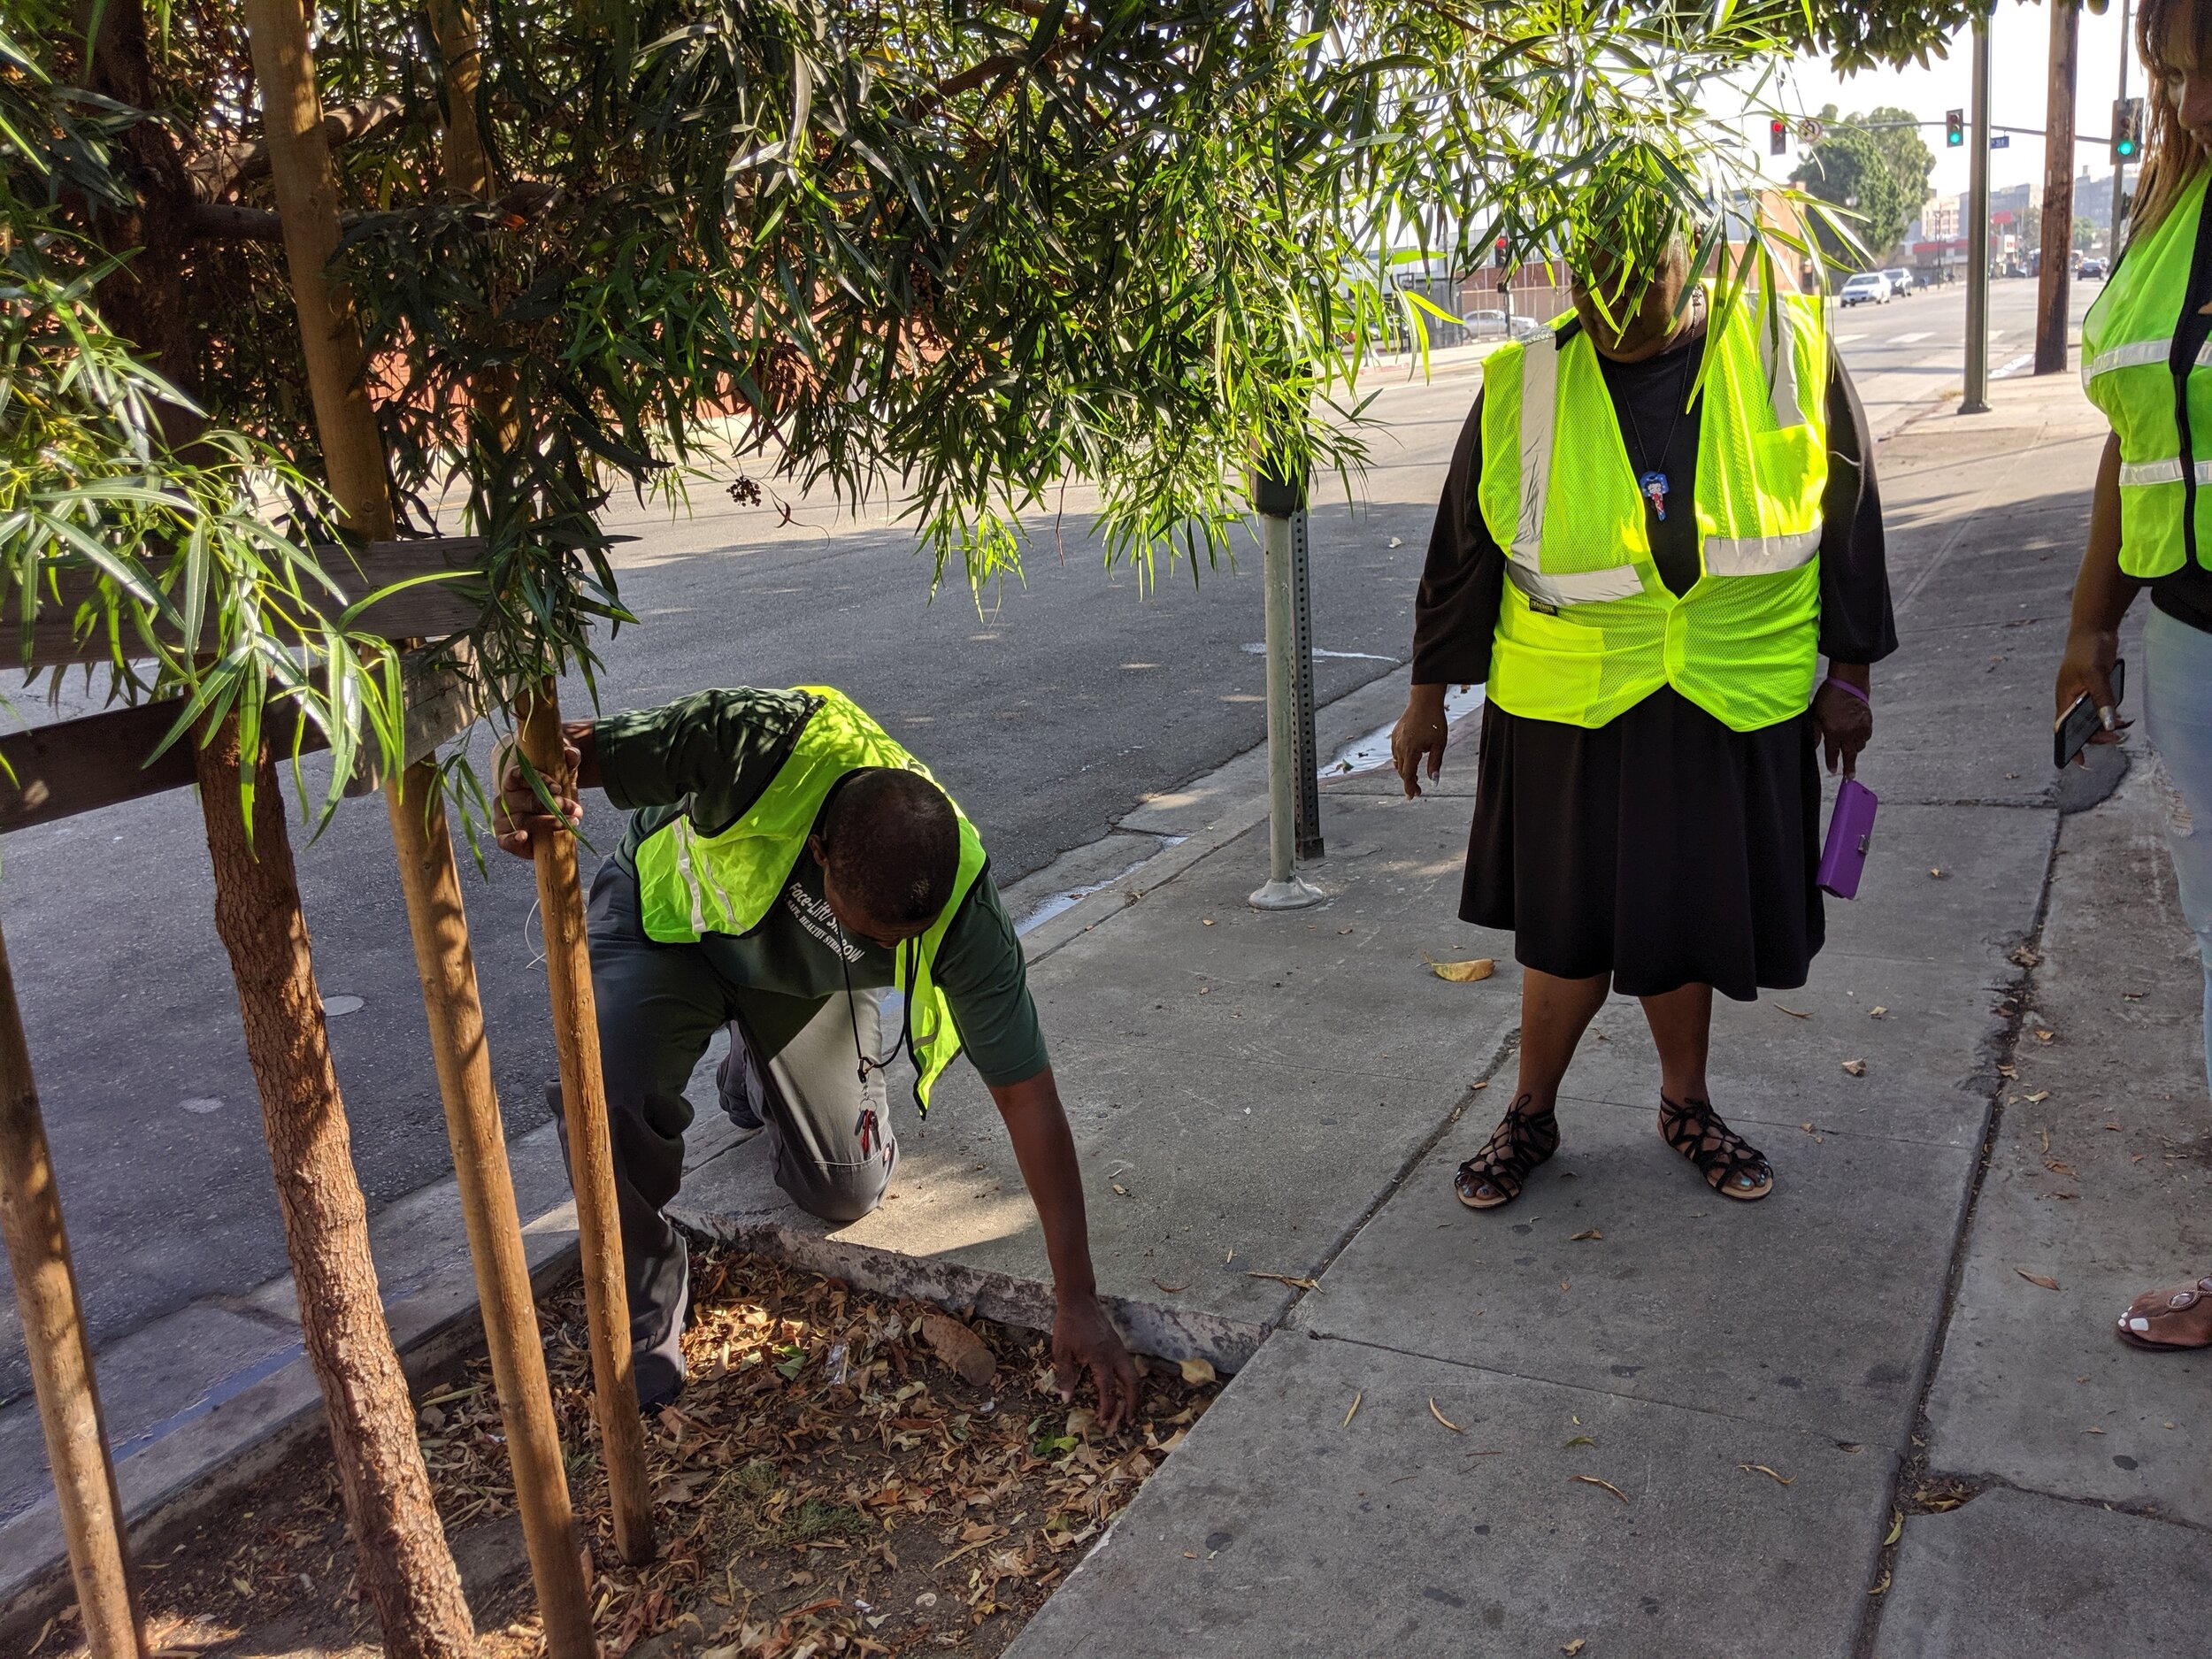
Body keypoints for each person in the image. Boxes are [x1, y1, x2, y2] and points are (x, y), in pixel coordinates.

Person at [1390, 206, 1894, 1212]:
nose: (1610, 298)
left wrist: (1850, 678)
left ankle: (1684, 1105)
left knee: (1686, 917)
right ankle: (1529, 1112)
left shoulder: (1786, 352)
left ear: (1692, 255)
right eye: (1590, 271)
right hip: (1569, 704)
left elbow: (1850, 521)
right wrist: (1424, 700)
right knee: (1565, 926)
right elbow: (1462, 556)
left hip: (1727, 694)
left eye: (1638, 272)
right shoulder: (1522, 381)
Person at [495, 686, 1139, 1419]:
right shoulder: (754, 741)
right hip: (670, 929)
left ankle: (752, 1065)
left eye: (902, 941)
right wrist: (515, 787)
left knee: (845, 1189)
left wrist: (1077, 1295)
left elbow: (1028, 1095)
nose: (889, 953)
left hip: (800, 983)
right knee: (604, 1092)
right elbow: (551, 750)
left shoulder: (964, 906)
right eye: (874, 933)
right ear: (820, 851)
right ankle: (644, 1286)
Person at [2059, 0, 2212, 1353]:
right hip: (2190, 640)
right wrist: (2088, 620)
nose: (2196, 94)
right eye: (2172, 70)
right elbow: (2135, 435)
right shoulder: (2171, 208)